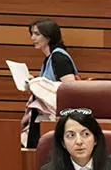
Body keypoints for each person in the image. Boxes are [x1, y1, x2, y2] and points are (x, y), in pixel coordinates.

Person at [21, 18, 82, 147]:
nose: (32, 38)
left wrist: (39, 84)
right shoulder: (49, 58)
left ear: (49, 36)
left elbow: (70, 88)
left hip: (57, 120)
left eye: (37, 34)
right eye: (32, 34)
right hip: (45, 117)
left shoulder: (58, 57)